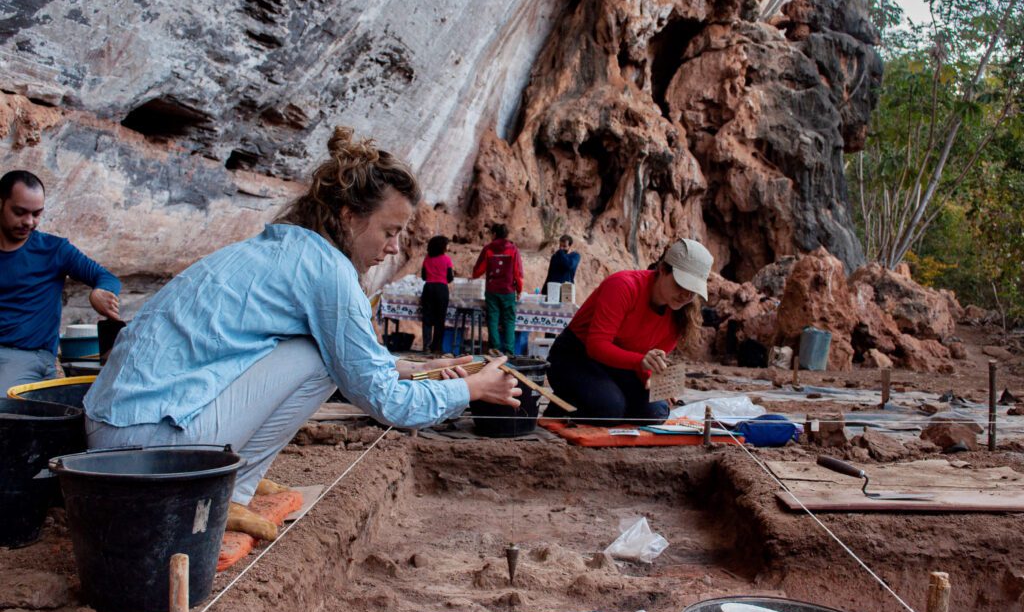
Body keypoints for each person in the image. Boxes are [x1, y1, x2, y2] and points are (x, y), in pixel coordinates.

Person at [83, 127, 521, 541]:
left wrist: (417, 367)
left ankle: (233, 484)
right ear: (349, 216)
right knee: (318, 358)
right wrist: (472, 389)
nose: (393, 248)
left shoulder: (289, 250)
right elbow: (386, 402)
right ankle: (224, 493)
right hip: (145, 446)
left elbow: (360, 361)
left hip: (116, 435)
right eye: (389, 232)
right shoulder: (329, 272)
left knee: (323, 353)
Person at [544, 238, 711, 426]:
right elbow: (596, 346)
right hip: (576, 355)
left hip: (622, 365)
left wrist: (655, 380)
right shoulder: (623, 285)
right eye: (681, 285)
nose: (686, 296)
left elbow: (652, 360)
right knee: (609, 410)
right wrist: (641, 362)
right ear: (663, 270)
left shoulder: (681, 315)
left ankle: (601, 398)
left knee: (656, 413)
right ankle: (561, 405)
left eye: (693, 291)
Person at [0, 170, 122, 394]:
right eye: (19, 212)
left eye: (37, 214)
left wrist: (100, 292)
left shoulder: (54, 249)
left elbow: (107, 277)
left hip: (28, 355)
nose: (29, 222)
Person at [472, 223, 524, 355]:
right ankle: (509, 351)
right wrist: (519, 290)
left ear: (494, 234)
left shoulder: (488, 249)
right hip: (508, 290)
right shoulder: (513, 249)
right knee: (509, 320)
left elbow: (478, 270)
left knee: (493, 319)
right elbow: (517, 273)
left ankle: (494, 348)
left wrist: (474, 276)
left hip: (492, 290)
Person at [420, 235, 454, 353]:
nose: (448, 246)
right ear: (442, 246)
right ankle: (436, 347)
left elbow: (423, 276)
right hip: (441, 289)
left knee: (427, 319)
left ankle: (426, 346)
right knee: (440, 320)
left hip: (428, 288)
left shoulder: (427, 258)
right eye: (446, 244)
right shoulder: (447, 259)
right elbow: (450, 278)